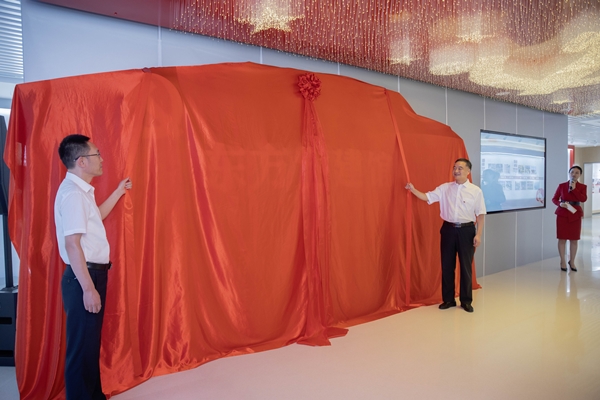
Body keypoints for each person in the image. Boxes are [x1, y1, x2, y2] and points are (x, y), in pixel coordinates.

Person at [54, 134, 132, 399]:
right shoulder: (74, 194)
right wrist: (88, 288)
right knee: (81, 350)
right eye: (97, 154)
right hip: (83, 277)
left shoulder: (81, 192)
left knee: (88, 347)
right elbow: (72, 244)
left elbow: (95, 217)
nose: (101, 159)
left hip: (89, 275)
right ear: (82, 161)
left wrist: (118, 192)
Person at [405, 158, 486, 313]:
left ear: (468, 171)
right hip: (448, 229)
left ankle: (466, 301)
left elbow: (481, 214)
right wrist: (413, 189)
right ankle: (448, 300)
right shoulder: (445, 188)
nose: (456, 170)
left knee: (465, 267)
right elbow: (427, 197)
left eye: (460, 168)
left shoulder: (476, 191)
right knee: (447, 265)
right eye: (455, 168)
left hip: (466, 230)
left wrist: (479, 234)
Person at [552, 165, 587, 272]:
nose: (574, 174)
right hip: (563, 213)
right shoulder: (562, 185)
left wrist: (574, 189)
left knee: (574, 239)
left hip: (575, 214)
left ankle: (572, 261)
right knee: (562, 238)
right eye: (572, 172)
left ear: (580, 175)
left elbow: (583, 199)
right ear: (569, 173)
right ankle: (562, 261)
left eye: (577, 173)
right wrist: (559, 203)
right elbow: (554, 199)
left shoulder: (582, 187)